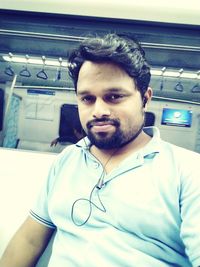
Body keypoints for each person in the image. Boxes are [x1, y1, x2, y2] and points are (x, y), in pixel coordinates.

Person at [0, 33, 200, 267]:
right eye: (87, 99)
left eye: (114, 97)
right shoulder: (68, 160)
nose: (99, 110)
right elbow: (29, 239)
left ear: (145, 99)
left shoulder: (187, 171)